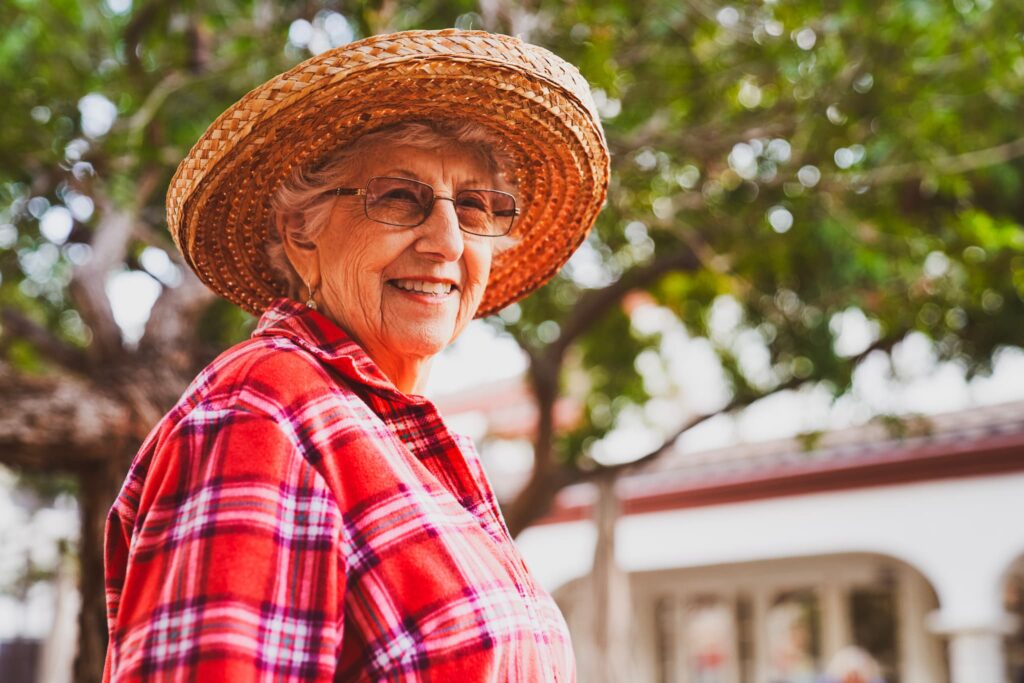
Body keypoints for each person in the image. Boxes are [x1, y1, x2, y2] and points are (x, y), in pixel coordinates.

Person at [102, 29, 608, 682]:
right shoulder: (263, 412)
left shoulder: (395, 436)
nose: (448, 242)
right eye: (399, 197)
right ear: (300, 230)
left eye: (478, 206)